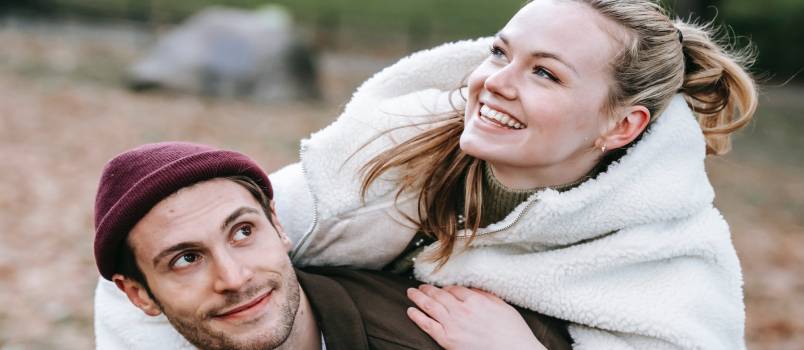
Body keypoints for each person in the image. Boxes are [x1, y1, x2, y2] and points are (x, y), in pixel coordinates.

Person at [96, 0, 758, 348]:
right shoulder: (387, 158)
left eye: (544, 72)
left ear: (622, 126)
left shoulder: (668, 248)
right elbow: (161, 263)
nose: (493, 82)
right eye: (501, 51)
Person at [92, 142, 572, 350]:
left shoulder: (456, 335)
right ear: (137, 295)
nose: (234, 278)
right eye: (186, 259)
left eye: (243, 232)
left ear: (277, 224)